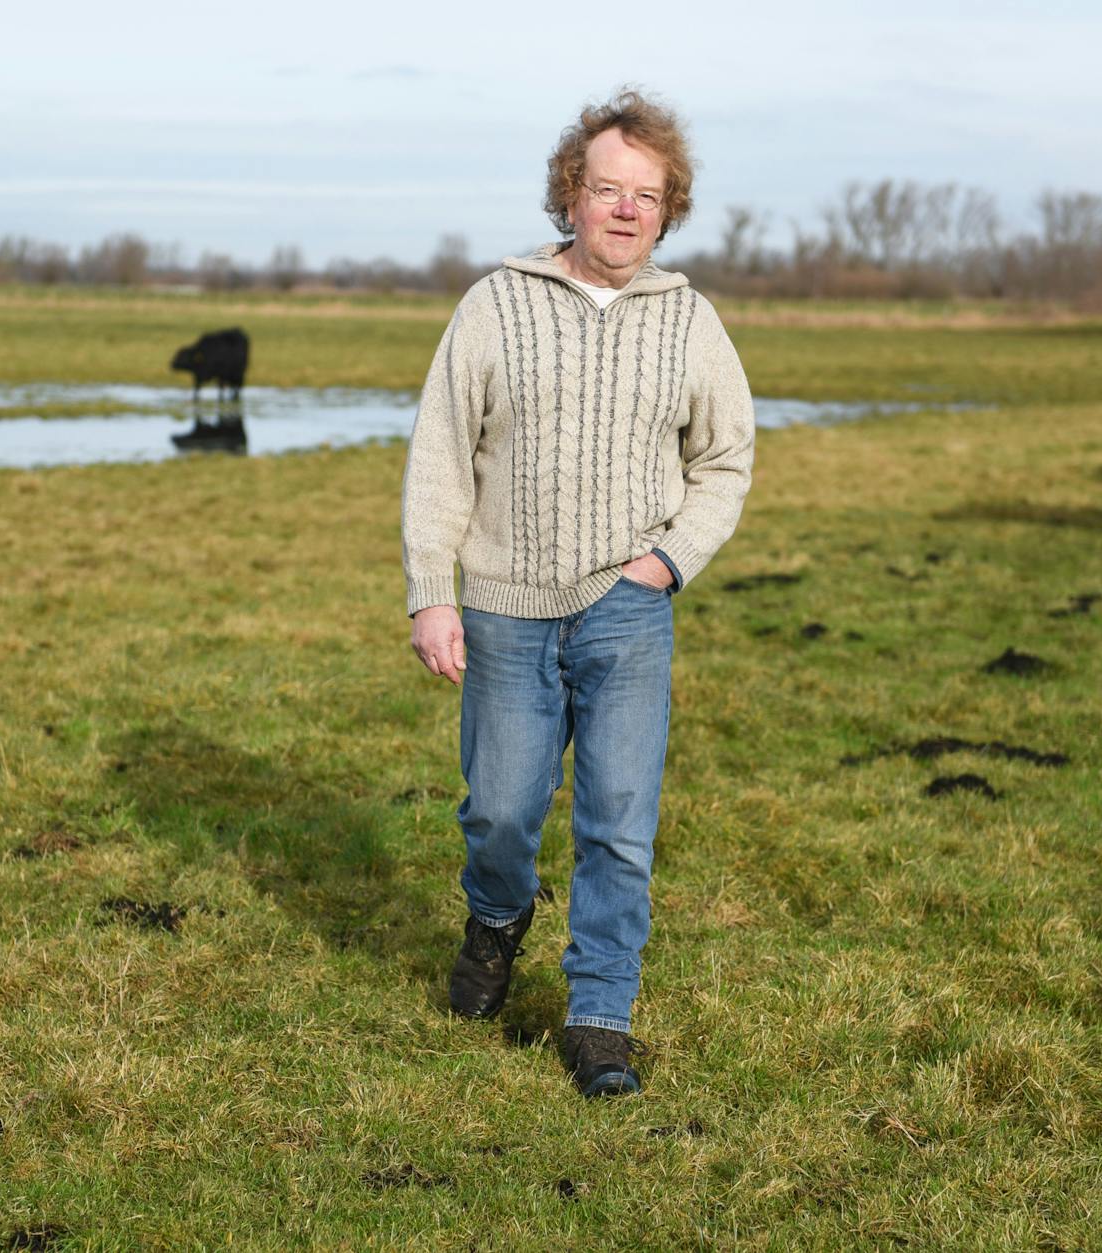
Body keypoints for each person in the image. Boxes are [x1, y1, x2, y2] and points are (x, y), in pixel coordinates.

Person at [401, 89, 754, 1098]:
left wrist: (669, 558)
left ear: (667, 208)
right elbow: (439, 456)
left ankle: (599, 1017)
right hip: (505, 607)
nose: (627, 210)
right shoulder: (494, 304)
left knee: (617, 823)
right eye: (608, 188)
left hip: (626, 609)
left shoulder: (688, 319)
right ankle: (497, 915)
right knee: (502, 813)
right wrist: (433, 591)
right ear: (572, 191)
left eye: (648, 195)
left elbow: (726, 456)